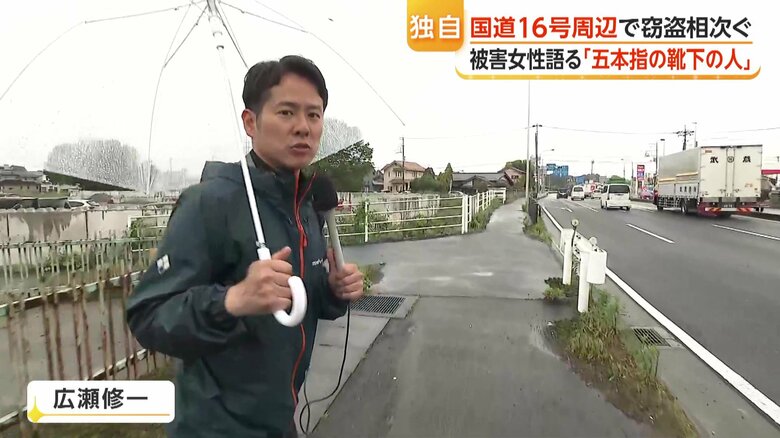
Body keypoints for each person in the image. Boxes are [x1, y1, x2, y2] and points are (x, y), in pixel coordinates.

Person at [126, 55, 365, 437]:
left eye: (314, 115)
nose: (303, 127)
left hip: (280, 418)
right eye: (286, 112)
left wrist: (332, 291)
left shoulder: (306, 206)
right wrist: (233, 300)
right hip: (215, 426)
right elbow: (149, 316)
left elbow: (296, 299)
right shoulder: (209, 203)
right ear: (250, 122)